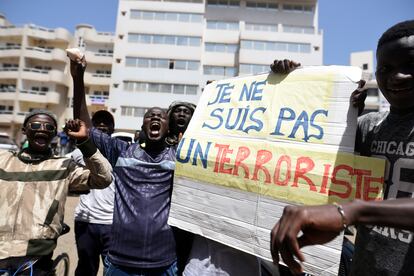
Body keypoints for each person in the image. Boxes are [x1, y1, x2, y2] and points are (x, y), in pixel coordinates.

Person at [270, 20, 414, 276]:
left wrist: (352, 210)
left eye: (410, 65)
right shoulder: (369, 125)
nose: (397, 77)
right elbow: (313, 145)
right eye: (386, 68)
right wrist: (293, 83)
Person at [70, 56, 178, 275]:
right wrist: (79, 77)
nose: (155, 117)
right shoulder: (121, 151)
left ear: (168, 128)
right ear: (143, 125)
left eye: (161, 116)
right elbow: (85, 126)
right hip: (120, 262)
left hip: (164, 263)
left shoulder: (180, 158)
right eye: (150, 116)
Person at [0, 110, 113, 275]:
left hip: (35, 257)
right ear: (24, 130)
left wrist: (84, 141)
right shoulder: (4, 160)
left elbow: (103, 178)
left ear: (54, 133)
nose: (43, 129)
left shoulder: (64, 166)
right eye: (36, 125)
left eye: (49, 127)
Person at [72, 110, 116, 276]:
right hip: (86, 221)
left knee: (111, 270)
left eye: (107, 122)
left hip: (112, 223)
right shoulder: (78, 154)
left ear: (113, 128)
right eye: (97, 122)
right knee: (86, 269)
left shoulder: (120, 153)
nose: (102, 125)